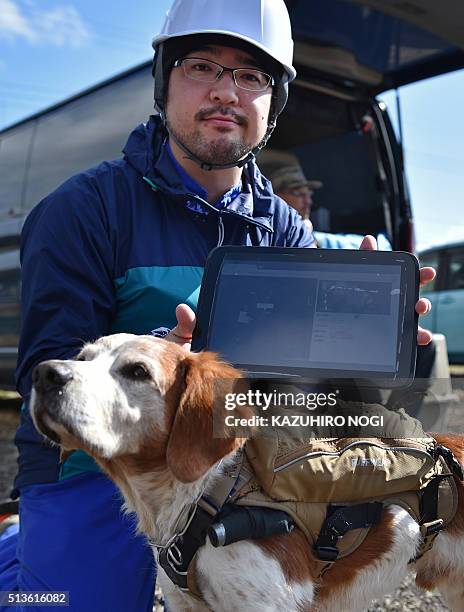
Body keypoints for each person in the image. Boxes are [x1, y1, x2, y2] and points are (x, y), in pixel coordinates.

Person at [0, 1, 434, 610]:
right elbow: (46, 373)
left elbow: (295, 396)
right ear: (165, 83)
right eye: (203, 66)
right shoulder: (82, 208)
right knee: (71, 603)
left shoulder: (284, 227)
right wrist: (164, 359)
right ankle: (18, 550)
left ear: (272, 103)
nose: (227, 92)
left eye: (252, 76)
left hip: (233, 462)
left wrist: (357, 344)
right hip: (93, 469)